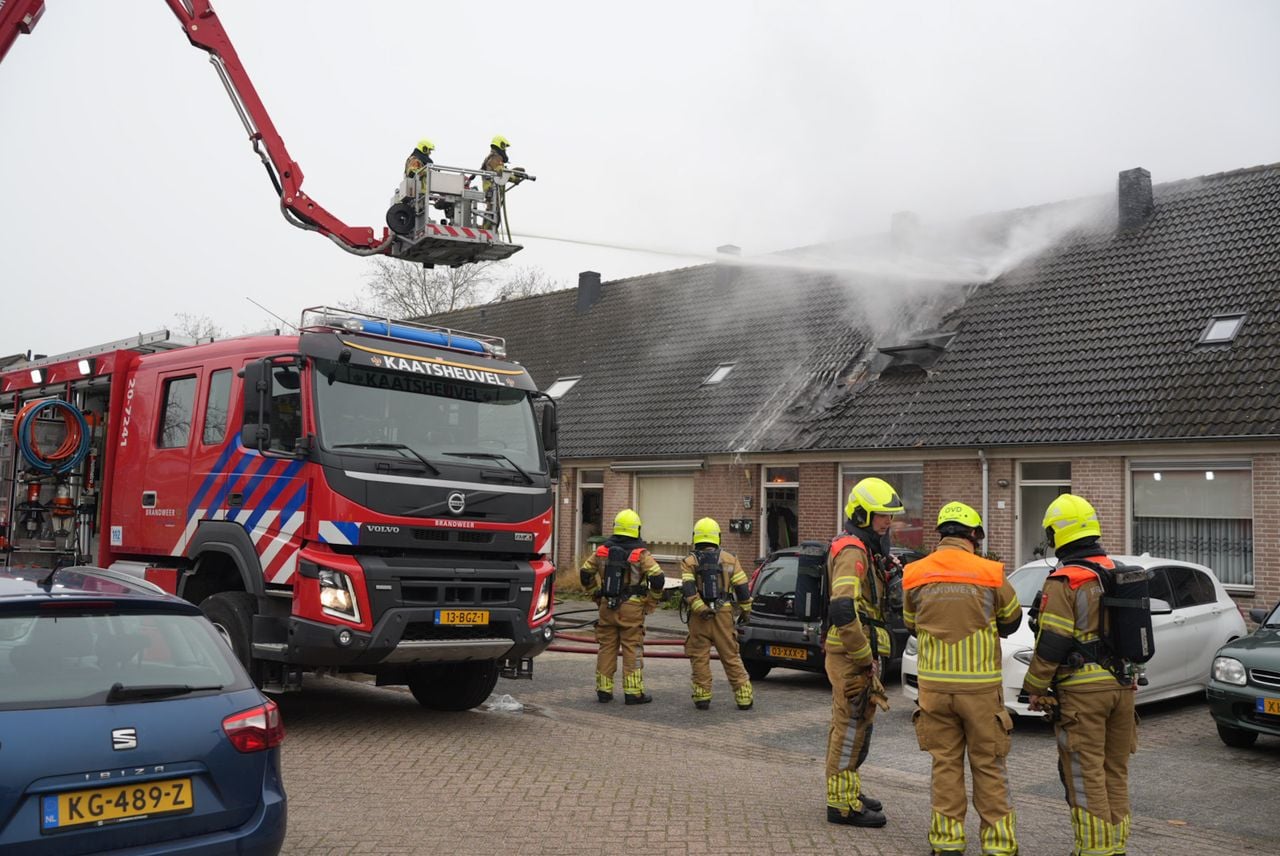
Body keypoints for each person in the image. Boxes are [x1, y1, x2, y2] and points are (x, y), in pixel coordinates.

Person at [903, 501, 1021, 856]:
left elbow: (910, 621)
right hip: (980, 690)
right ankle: (999, 846)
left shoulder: (915, 572)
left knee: (945, 764)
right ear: (973, 535)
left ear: (941, 534)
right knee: (988, 765)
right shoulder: (991, 572)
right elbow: (1012, 621)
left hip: (934, 689)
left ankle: (947, 843)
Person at [1022, 493, 1137, 856]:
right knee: (1114, 771)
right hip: (1122, 688)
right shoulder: (1116, 571)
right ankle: (1115, 847)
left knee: (1085, 776)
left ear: (1058, 534)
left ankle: (1094, 851)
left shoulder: (1065, 580)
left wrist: (1034, 688)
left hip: (1083, 695)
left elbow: (1053, 642)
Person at [824, 476, 901, 828]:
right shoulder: (853, 550)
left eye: (889, 516)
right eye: (882, 516)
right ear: (861, 514)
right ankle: (841, 803)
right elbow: (843, 607)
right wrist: (862, 655)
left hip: (857, 652)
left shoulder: (864, 549)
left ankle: (849, 788)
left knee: (857, 724)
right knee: (850, 725)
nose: (888, 523)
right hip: (851, 655)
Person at [579, 508, 666, 705]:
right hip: (632, 609)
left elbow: (585, 573)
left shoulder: (602, 551)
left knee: (606, 648)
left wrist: (595, 594)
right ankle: (633, 693)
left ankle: (603, 690)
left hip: (606, 608)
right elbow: (658, 578)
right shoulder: (640, 554)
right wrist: (651, 602)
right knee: (632, 648)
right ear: (636, 529)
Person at [679, 517, 754, 711]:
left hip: (699, 617)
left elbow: (688, 588)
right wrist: (746, 612)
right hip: (724, 614)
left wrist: (700, 608)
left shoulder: (689, 562)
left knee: (699, 656)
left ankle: (702, 696)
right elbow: (743, 590)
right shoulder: (730, 560)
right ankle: (744, 697)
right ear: (717, 537)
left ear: (696, 537)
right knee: (731, 655)